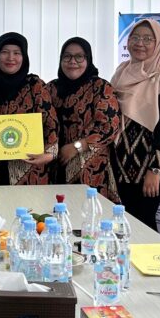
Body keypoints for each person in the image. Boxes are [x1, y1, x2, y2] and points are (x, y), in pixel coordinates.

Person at [110, 19, 160, 231]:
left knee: (143, 222)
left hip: (150, 164)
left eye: (148, 39)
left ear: (157, 43)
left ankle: (151, 255)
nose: (140, 43)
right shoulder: (122, 71)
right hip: (122, 163)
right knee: (125, 221)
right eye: (135, 37)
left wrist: (155, 169)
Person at [0, 32, 58, 186]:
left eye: (17, 53)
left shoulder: (36, 86)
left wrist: (48, 155)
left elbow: (51, 125)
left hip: (29, 171)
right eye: (5, 52)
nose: (10, 58)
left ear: (24, 57)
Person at [47, 37, 121, 200]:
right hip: (55, 167)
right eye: (67, 56)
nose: (72, 61)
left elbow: (109, 127)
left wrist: (77, 147)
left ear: (88, 59)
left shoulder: (100, 87)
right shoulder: (51, 88)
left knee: (89, 212)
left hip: (91, 171)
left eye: (79, 56)